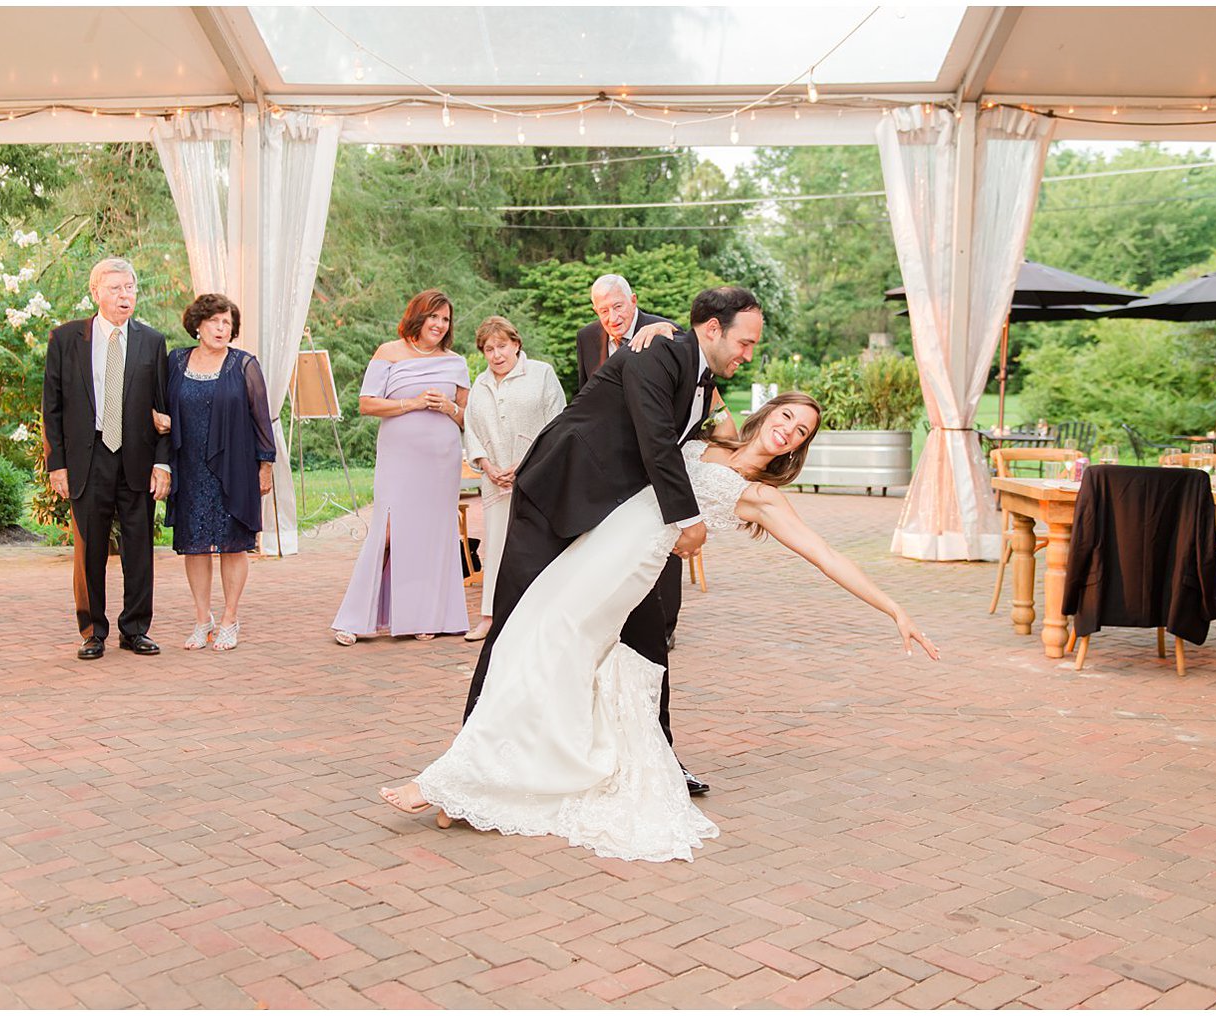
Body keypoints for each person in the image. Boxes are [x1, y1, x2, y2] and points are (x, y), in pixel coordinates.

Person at [379, 392, 940, 862]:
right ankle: (474, 784)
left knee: (546, 644)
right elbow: (693, 378)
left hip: (630, 563)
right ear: (768, 413)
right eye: (787, 418)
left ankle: (447, 783)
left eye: (801, 432)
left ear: (800, 446)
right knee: (526, 640)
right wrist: (653, 334)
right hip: (595, 543)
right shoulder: (708, 440)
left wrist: (894, 608)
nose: (789, 432)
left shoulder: (761, 497)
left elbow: (825, 556)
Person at [463, 285, 763, 800]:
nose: (749, 353)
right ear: (714, 329)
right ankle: (469, 761)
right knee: (513, 622)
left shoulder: (695, 371)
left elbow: (691, 443)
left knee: (648, 637)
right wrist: (688, 520)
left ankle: (660, 759)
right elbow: (654, 442)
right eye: (747, 342)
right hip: (557, 499)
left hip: (619, 519)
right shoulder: (658, 351)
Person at [578, 275, 735, 653]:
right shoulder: (587, 338)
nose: (612, 317)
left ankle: (665, 624)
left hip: (657, 455)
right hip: (609, 459)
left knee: (663, 536)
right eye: (603, 310)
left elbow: (694, 395)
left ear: (632, 300)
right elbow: (587, 393)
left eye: (617, 307)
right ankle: (620, 619)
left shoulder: (664, 331)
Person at [42, 257, 171, 660]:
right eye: (115, 288)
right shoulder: (65, 339)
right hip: (88, 456)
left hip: (136, 457)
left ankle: (135, 629)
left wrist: (163, 463)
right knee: (90, 548)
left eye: (129, 287)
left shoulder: (152, 341)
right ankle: (92, 631)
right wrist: (57, 464)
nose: (124, 295)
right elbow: (52, 408)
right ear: (95, 292)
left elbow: (165, 411)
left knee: (139, 548)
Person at [331, 289, 471, 644]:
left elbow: (469, 417)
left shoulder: (455, 362)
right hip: (399, 458)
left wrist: (449, 409)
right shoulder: (388, 353)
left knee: (433, 534)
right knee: (389, 531)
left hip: (442, 459)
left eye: (445, 319)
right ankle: (355, 618)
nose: (439, 324)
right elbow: (366, 404)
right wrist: (412, 402)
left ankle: (426, 616)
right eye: (434, 316)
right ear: (418, 316)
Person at [159, 294, 276, 651]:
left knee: (232, 544)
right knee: (194, 545)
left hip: (234, 466)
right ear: (198, 324)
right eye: (214, 321)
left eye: (227, 323)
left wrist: (265, 465)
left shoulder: (244, 365)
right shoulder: (176, 361)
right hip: (189, 466)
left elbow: (261, 418)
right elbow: (161, 405)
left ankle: (230, 618)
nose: (221, 328)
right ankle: (201, 619)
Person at [462, 316, 566, 642]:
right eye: (489, 349)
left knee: (538, 547)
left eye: (502, 346)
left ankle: (541, 618)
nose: (496, 354)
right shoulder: (480, 384)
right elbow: (471, 430)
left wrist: (525, 465)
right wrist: (487, 466)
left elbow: (558, 423)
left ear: (516, 344)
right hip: (495, 480)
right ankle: (490, 617)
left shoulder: (541, 374)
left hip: (536, 477)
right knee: (496, 548)